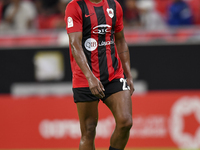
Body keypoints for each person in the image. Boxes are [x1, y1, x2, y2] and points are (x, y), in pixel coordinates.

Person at [64, 0, 134, 149]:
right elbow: (75, 44)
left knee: (126, 122)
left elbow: (120, 41)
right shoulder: (75, 6)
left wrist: (128, 74)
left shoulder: (114, 6)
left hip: (114, 75)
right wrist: (90, 77)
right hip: (85, 78)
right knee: (88, 131)